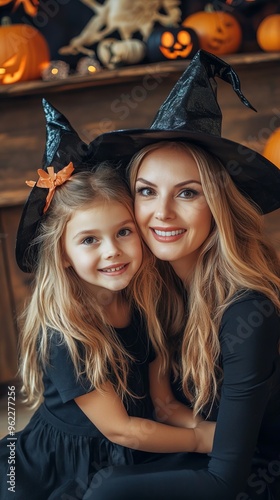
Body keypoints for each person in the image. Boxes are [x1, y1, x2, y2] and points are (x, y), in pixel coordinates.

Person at [82, 50, 280, 499]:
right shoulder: (151, 285)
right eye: (147, 191)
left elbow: (225, 479)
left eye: (187, 193)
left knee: (104, 492)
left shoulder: (247, 310)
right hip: (195, 452)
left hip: (252, 474)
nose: (162, 213)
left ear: (217, 205)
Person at [0, 100, 215, 500]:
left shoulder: (143, 304)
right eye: (89, 240)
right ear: (62, 254)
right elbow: (123, 429)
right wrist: (201, 442)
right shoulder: (67, 331)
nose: (112, 251)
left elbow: (163, 404)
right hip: (62, 463)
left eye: (123, 232)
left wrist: (215, 433)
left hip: (131, 443)